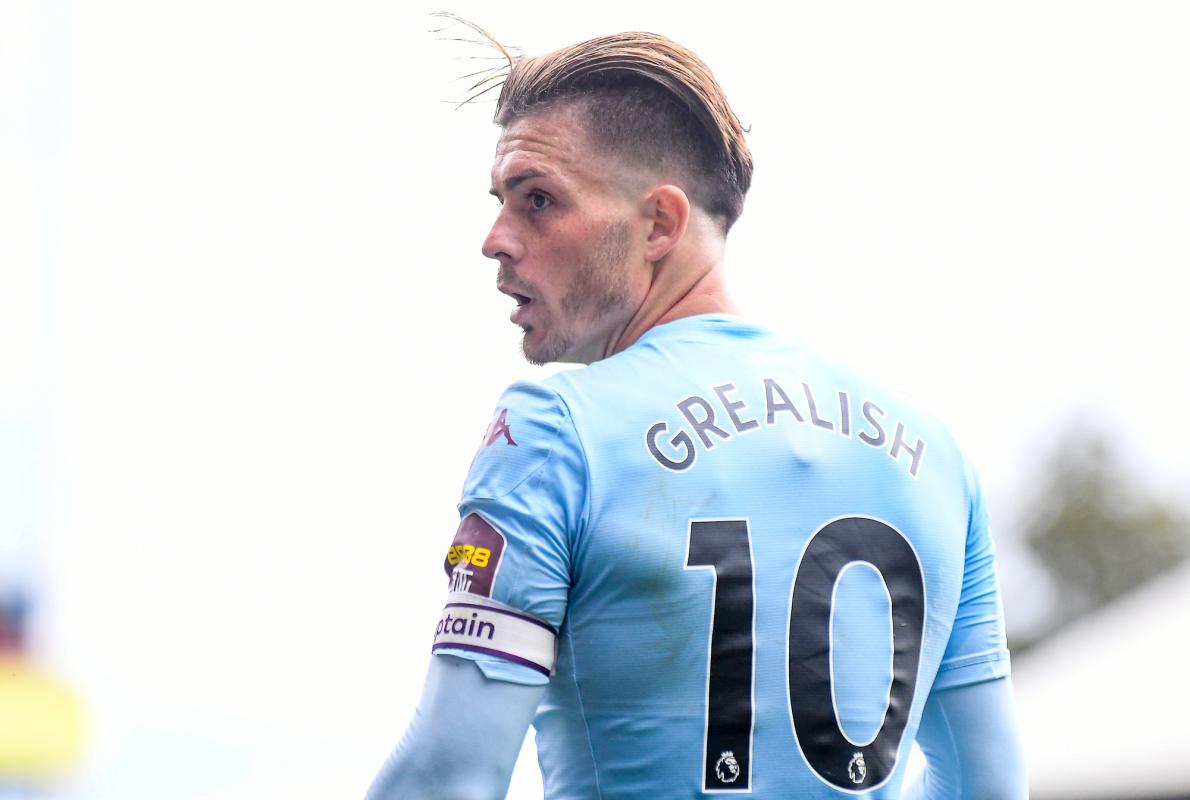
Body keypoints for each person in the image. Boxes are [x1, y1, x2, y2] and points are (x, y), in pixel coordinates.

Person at [366, 30, 1027, 800]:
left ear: (658, 224)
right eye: (500, 203)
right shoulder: (933, 456)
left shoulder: (556, 431)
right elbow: (987, 783)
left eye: (537, 200)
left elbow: (448, 774)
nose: (495, 241)